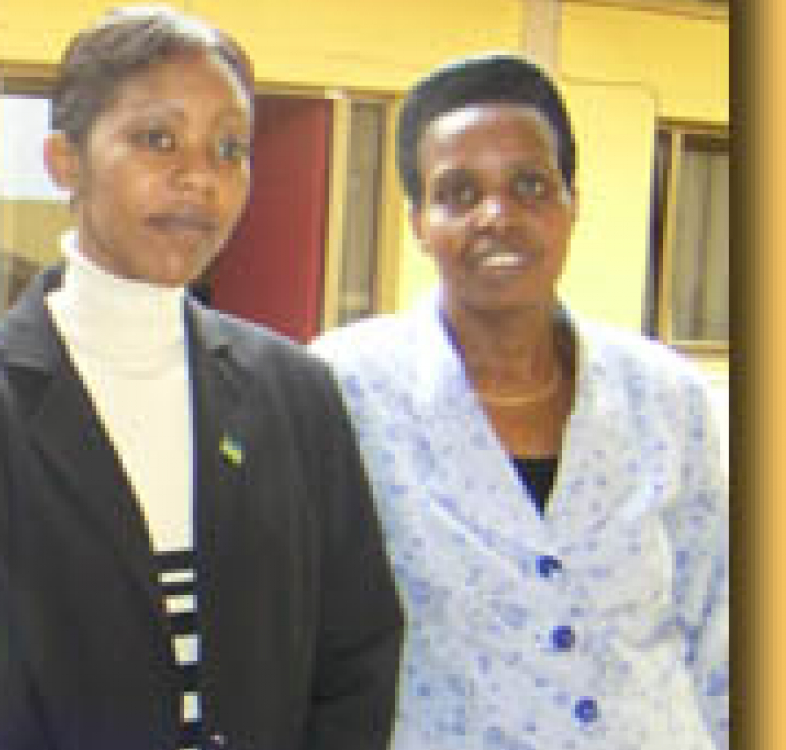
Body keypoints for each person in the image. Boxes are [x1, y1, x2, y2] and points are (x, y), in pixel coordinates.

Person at [0, 7, 403, 750]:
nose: (199, 176)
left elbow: (358, 651)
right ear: (66, 161)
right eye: (157, 139)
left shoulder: (297, 394)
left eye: (229, 148)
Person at [310, 53, 728, 750]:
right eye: (459, 192)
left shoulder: (666, 397)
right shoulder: (344, 390)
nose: (497, 216)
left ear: (573, 203)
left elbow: (718, 632)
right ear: (417, 220)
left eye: (531, 185)